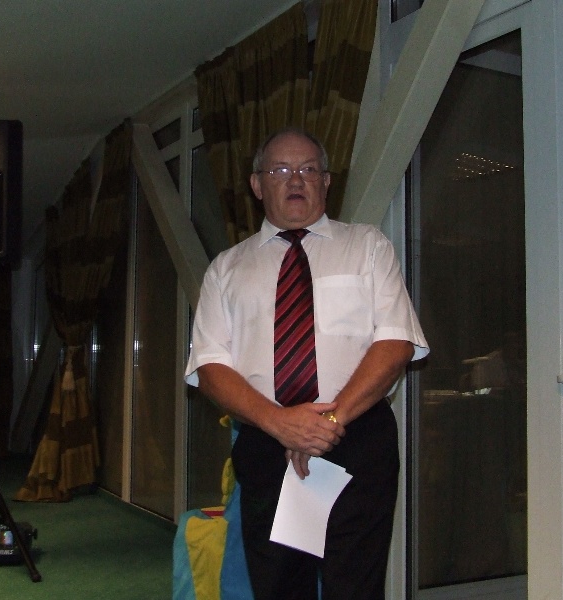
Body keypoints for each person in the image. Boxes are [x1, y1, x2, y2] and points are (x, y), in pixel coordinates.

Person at [185, 127, 429, 599]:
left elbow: (396, 342)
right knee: (278, 587)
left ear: (326, 182)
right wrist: (282, 424)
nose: (295, 179)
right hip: (267, 443)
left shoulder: (367, 246)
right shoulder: (226, 269)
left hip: (357, 438)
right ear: (257, 185)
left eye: (308, 169)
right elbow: (211, 368)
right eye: (280, 169)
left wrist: (327, 421)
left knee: (354, 588)